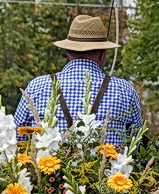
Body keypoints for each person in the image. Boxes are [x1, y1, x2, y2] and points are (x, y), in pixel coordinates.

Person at [12, 14, 144, 147]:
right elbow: (136, 144)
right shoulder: (124, 90)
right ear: (102, 54)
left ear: (67, 51)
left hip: (46, 166)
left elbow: (17, 138)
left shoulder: (37, 87)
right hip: (110, 166)